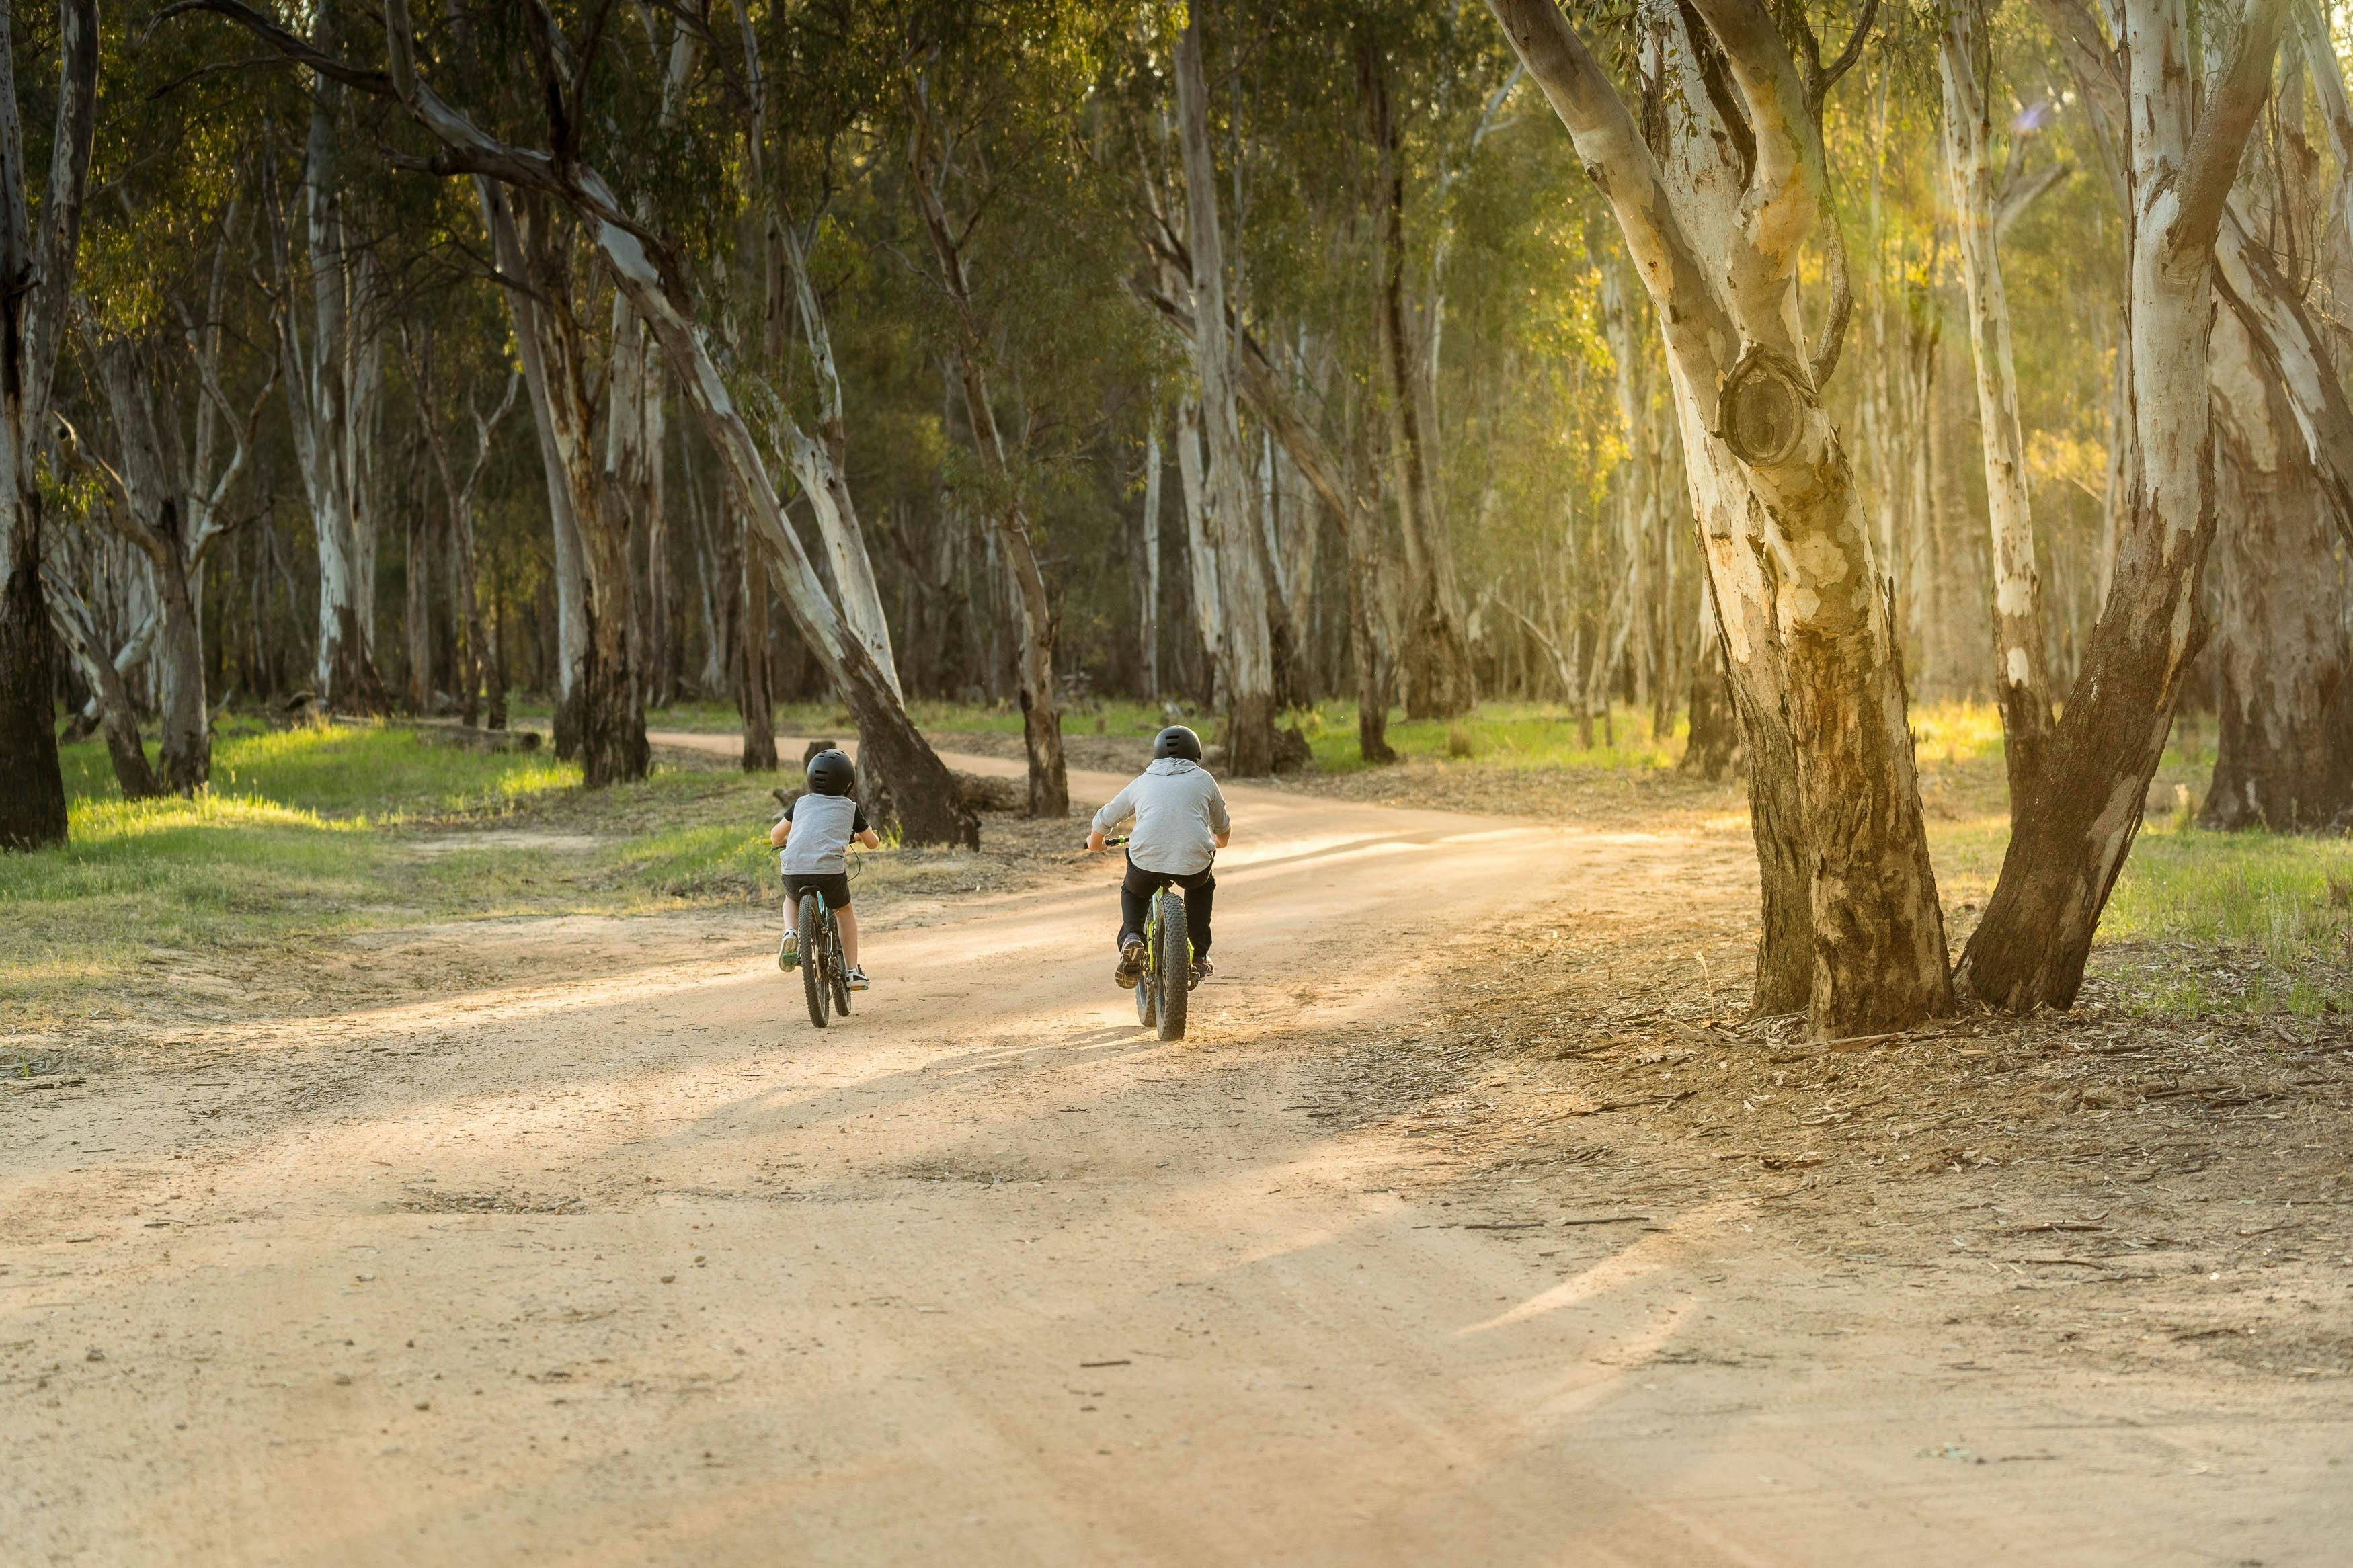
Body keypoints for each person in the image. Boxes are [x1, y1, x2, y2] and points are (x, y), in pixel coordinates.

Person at [1086, 725, 1230, 987]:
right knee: (1202, 886)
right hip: (1193, 865)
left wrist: (1096, 843)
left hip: (1146, 864)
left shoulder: (1143, 781)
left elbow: (1107, 817)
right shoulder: (1205, 780)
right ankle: (1199, 955)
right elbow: (1222, 825)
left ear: (1156, 755)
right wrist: (1219, 841)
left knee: (1134, 890)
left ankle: (1132, 936)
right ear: (1196, 755)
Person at [771, 748, 880, 989]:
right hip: (829, 872)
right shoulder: (850, 808)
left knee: (791, 899)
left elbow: (776, 836)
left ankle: (790, 932)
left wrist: (790, 841)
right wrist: (866, 838)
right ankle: (852, 972)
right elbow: (872, 842)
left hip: (794, 868)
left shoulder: (800, 804)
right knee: (844, 911)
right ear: (849, 783)